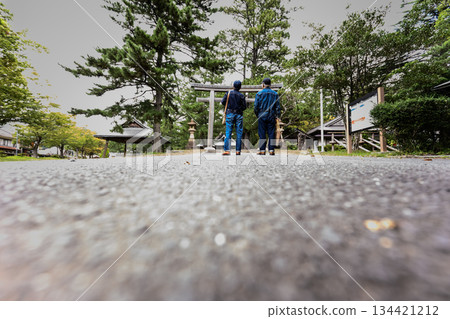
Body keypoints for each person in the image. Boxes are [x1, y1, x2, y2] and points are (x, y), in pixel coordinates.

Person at [254, 77, 281, 155]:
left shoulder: (259, 93)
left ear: (263, 84)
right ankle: (271, 150)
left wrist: (257, 114)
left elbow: (256, 106)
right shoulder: (275, 94)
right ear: (270, 85)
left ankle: (262, 150)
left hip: (261, 115)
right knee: (271, 133)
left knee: (262, 133)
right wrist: (278, 116)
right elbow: (278, 107)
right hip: (271, 115)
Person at [221, 80, 247, 155]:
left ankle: (227, 150)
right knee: (239, 132)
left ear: (233, 86)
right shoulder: (242, 96)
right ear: (240, 87)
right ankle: (238, 150)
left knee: (228, 131)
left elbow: (223, 102)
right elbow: (244, 107)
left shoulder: (228, 93)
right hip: (239, 114)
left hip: (230, 113)